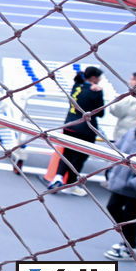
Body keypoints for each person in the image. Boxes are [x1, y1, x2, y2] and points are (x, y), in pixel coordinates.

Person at [49, 66, 106, 196]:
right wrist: (99, 93)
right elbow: (100, 113)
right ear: (93, 78)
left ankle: (58, 176)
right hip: (85, 129)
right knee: (80, 157)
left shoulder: (76, 86)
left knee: (67, 153)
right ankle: (70, 184)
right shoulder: (95, 91)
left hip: (70, 125)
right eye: (98, 78)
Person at [104, 105, 136, 262]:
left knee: (131, 214)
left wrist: (135, 184)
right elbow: (117, 151)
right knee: (112, 207)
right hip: (121, 182)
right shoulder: (131, 132)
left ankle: (129, 246)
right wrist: (110, 169)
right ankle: (130, 237)